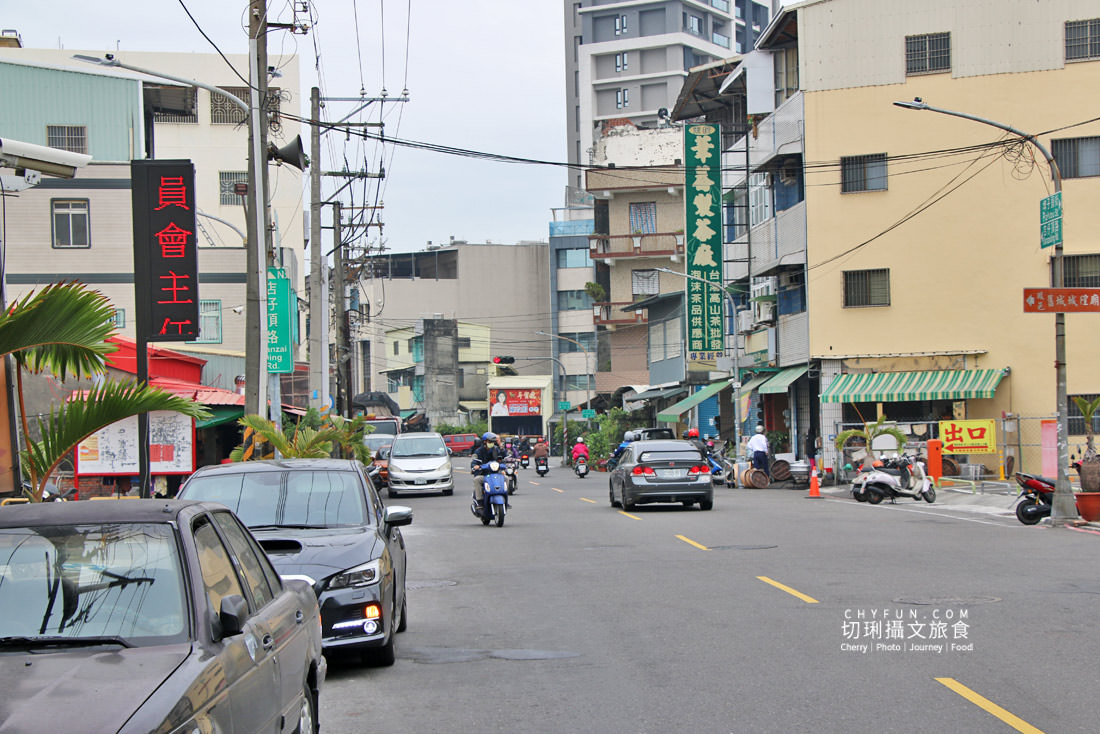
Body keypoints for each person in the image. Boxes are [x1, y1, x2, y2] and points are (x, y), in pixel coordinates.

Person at [472, 432, 507, 504]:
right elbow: (474, 462)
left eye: (493, 442)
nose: (491, 443)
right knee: (477, 480)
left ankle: (505, 498)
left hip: (495, 474)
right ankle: (479, 501)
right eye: (490, 441)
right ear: (484, 441)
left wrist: (501, 447)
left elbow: (503, 457)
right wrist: (475, 466)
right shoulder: (478, 451)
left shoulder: (496, 449)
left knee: (506, 478)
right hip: (483, 474)